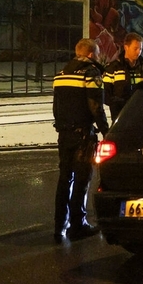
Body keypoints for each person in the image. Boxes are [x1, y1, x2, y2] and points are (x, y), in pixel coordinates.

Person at [52, 38, 110, 243]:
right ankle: (78, 225)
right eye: (98, 53)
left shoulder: (61, 74)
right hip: (83, 135)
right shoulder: (91, 73)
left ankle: (59, 225)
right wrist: (106, 132)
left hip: (64, 133)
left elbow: (56, 107)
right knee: (82, 179)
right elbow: (96, 107)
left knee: (64, 179)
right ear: (92, 54)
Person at [103, 32, 143, 125]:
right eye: (135, 48)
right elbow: (105, 93)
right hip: (120, 117)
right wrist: (117, 104)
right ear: (126, 47)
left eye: (140, 49)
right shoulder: (113, 68)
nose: (138, 52)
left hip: (141, 116)